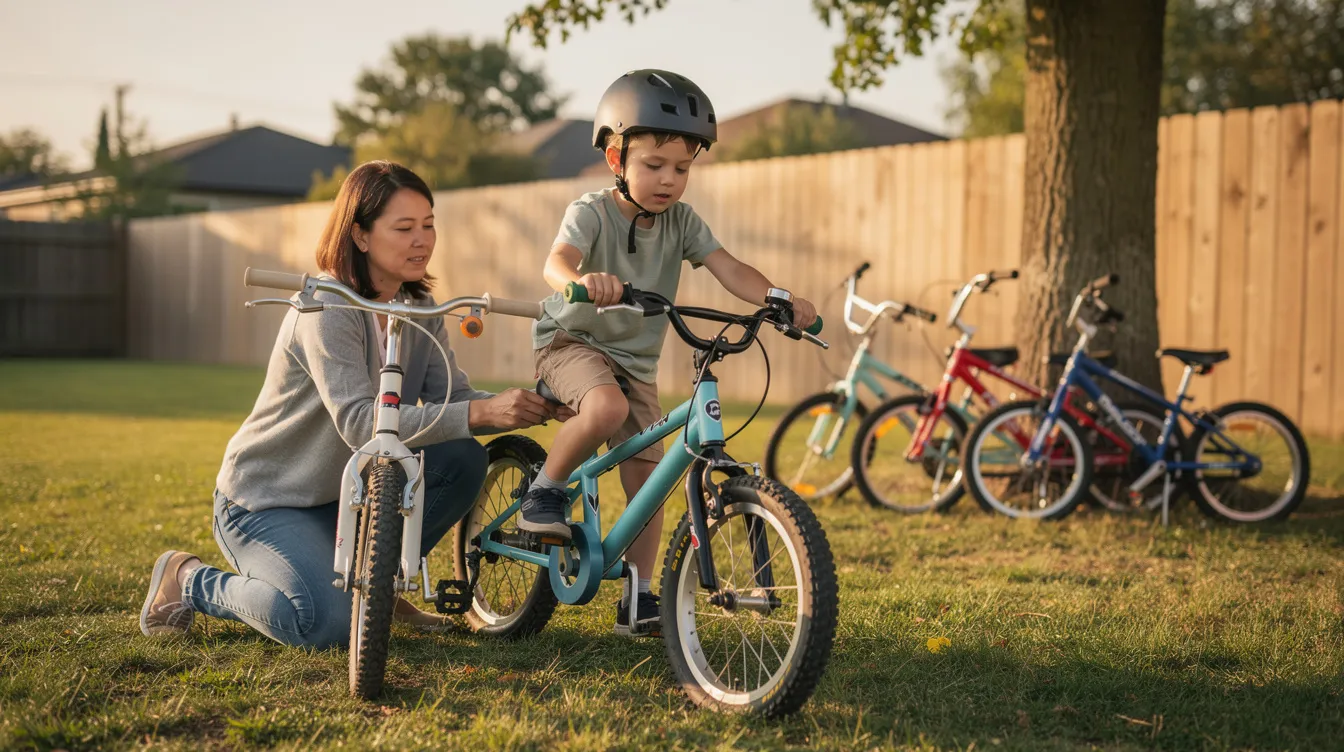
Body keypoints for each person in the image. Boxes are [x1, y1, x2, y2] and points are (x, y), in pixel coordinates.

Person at [139, 160, 569, 647]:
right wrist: (477, 413)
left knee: (462, 456)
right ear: (360, 236)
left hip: (351, 497)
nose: (422, 240)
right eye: (404, 228)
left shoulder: (421, 308)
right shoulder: (326, 306)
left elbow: (454, 402)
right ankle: (188, 578)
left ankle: (377, 586)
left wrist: (528, 404)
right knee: (324, 625)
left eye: (429, 225)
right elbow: (363, 424)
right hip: (268, 501)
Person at [518, 69, 817, 637]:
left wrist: (780, 298)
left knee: (649, 477)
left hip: (634, 363)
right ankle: (544, 493)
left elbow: (729, 268)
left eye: (682, 168)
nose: (669, 180)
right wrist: (581, 282)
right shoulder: (592, 210)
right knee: (604, 409)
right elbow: (555, 262)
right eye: (654, 165)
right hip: (571, 343)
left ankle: (639, 594)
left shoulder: (681, 223)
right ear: (616, 160)